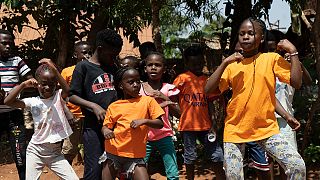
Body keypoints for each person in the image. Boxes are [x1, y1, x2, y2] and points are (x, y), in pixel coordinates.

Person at [205, 18, 305, 179]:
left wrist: (293, 51)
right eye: (242, 34)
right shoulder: (232, 65)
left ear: (261, 38)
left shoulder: (271, 59)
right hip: (235, 131)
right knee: (234, 176)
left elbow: (296, 82)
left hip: (266, 129)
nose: (245, 37)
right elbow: (208, 90)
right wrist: (224, 63)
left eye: (251, 33)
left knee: (297, 165)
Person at [4, 59, 78, 180]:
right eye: (43, 83)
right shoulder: (33, 101)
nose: (48, 87)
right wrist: (23, 85)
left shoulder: (58, 96)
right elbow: (8, 101)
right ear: (37, 84)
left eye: (52, 84)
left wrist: (53, 68)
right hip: (35, 151)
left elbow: (68, 90)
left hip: (55, 153)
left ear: (56, 84)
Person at [69, 29, 123, 180]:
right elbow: (71, 96)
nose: (114, 58)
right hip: (93, 127)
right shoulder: (83, 67)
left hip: (115, 127)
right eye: (112, 54)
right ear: (100, 49)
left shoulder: (113, 67)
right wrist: (94, 106)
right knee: (94, 169)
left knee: (113, 166)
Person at [100, 67, 164, 180]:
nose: (136, 85)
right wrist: (106, 131)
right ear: (121, 86)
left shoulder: (148, 101)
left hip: (135, 156)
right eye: (131, 82)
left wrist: (144, 121)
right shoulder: (114, 106)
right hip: (114, 152)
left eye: (138, 81)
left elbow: (160, 123)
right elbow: (106, 126)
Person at [173, 46, 225, 180]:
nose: (197, 66)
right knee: (190, 156)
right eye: (193, 63)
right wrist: (182, 115)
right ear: (186, 63)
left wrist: (214, 124)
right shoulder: (181, 79)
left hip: (206, 126)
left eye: (200, 63)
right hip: (188, 126)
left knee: (217, 155)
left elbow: (212, 104)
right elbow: (172, 100)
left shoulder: (208, 81)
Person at [267, 30, 312, 179]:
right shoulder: (266, 65)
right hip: (267, 118)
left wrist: (295, 60)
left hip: (286, 120)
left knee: (287, 159)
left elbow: (307, 81)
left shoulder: (289, 66)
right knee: (269, 161)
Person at [140, 52, 180, 180]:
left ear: (164, 69)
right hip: (143, 135)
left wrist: (164, 97)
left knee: (172, 172)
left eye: (157, 65)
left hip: (164, 134)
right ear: (145, 68)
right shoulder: (138, 88)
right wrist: (161, 105)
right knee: (139, 169)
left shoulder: (168, 88)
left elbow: (179, 113)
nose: (153, 67)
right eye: (150, 64)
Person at [0, 29, 33, 180]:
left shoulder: (17, 61)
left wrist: (25, 85)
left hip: (14, 116)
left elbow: (30, 80)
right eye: (4, 43)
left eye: (10, 43)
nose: (8, 46)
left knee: (21, 155)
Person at [61, 41, 92, 165]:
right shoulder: (67, 72)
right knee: (69, 149)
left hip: (90, 116)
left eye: (90, 53)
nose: (87, 56)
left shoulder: (94, 71)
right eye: (84, 53)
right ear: (75, 55)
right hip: (74, 116)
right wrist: (68, 113)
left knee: (91, 149)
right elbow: (61, 96)